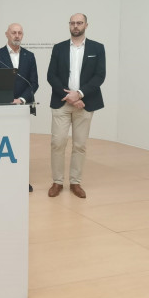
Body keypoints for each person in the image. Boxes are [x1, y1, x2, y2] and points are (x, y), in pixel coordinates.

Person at [46, 13, 106, 199]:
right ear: (69, 25)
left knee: (80, 145)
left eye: (79, 23)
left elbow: (100, 76)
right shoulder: (59, 48)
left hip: (85, 103)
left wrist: (79, 94)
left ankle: (75, 182)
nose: (76, 26)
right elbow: (51, 75)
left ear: (86, 25)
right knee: (58, 143)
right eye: (72, 23)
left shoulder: (97, 48)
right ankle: (57, 181)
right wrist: (70, 96)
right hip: (62, 102)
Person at [0, 22, 39, 192]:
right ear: (7, 34)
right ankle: (2, 179)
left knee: (20, 146)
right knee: (3, 147)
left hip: (22, 109)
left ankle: (21, 180)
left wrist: (22, 99)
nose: (17, 36)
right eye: (13, 33)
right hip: (3, 108)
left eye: (19, 33)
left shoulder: (30, 56)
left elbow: (34, 83)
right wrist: (7, 100)